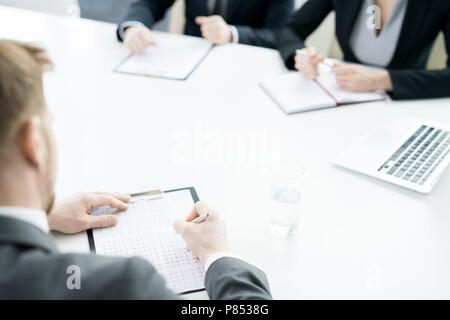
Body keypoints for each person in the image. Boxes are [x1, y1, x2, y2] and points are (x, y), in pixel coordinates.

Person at [0, 40, 271, 300]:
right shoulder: (121, 286)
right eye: (50, 124)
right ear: (33, 142)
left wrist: (42, 216)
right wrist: (217, 255)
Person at [277, 0, 450, 100]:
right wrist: (299, 54)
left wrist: (383, 80)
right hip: (343, 96)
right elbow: (290, 29)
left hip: (403, 102)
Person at [117, 0, 294, 51]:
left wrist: (231, 34)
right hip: (189, 55)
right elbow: (150, 3)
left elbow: (280, 35)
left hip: (241, 64)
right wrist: (134, 27)